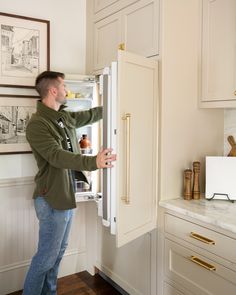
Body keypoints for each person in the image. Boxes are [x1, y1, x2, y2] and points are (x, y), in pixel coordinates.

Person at [23, 71, 116, 295]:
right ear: (53, 90)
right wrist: (93, 161)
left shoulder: (62, 117)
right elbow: (57, 156)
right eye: (63, 86)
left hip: (66, 197)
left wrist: (118, 102)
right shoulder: (37, 125)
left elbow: (89, 115)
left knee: (57, 254)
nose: (66, 90)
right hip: (51, 199)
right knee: (45, 259)